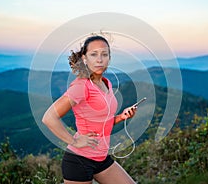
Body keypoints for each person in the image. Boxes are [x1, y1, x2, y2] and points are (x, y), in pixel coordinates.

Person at [42, 35, 137, 184]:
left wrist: (121, 117)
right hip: (79, 160)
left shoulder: (106, 84)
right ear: (84, 59)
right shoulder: (81, 86)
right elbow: (48, 117)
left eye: (104, 54)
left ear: (109, 58)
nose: (99, 60)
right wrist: (74, 141)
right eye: (94, 54)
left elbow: (101, 123)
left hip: (101, 159)